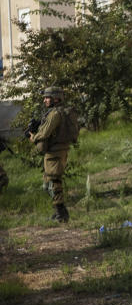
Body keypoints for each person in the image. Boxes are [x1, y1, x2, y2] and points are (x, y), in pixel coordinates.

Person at [30, 87, 76, 223]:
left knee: (54, 182)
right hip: (57, 150)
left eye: (47, 98)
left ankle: (62, 213)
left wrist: (32, 137)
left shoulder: (55, 114)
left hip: (55, 152)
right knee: (49, 182)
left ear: (56, 98)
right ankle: (59, 212)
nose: (44, 100)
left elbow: (45, 134)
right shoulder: (59, 112)